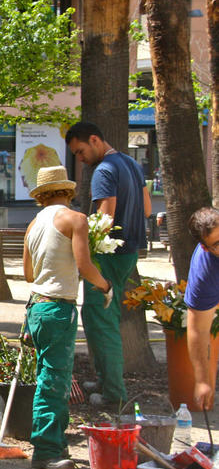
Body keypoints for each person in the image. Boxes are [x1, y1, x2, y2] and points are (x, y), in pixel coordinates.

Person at [23, 166, 113, 469]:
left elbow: (28, 274)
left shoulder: (34, 223)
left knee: (49, 377)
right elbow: (85, 265)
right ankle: (47, 450)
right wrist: (105, 285)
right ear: (68, 191)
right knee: (54, 381)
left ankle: (54, 443)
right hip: (58, 308)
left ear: (42, 194)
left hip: (35, 307)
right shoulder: (76, 219)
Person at [66, 121, 151, 406]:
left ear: (94, 140)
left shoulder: (103, 170)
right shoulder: (131, 163)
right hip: (130, 251)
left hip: (107, 255)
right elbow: (148, 208)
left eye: (80, 151)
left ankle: (114, 393)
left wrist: (80, 244)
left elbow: (105, 219)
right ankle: (103, 380)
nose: (80, 159)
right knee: (100, 318)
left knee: (102, 322)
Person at [185, 207, 219, 412]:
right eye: (217, 243)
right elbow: (198, 329)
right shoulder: (204, 271)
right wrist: (202, 379)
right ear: (207, 248)